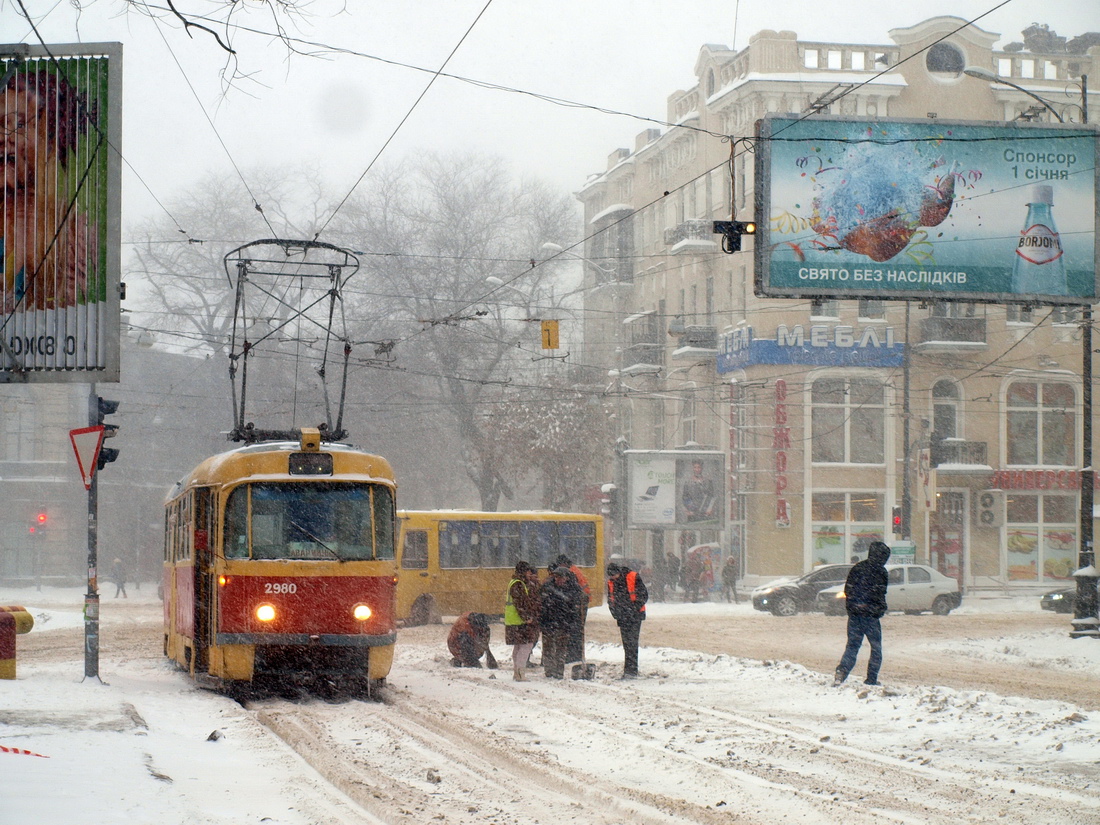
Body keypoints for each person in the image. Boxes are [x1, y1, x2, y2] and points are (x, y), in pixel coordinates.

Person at [2, 66, 97, 315]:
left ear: (52, 139)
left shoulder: (75, 232)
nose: (3, 136)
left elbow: (71, 305)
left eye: (18, 123)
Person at [833, 540, 891, 686]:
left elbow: (849, 590)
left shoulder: (858, 568)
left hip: (855, 616)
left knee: (852, 646)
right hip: (871, 617)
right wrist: (879, 608)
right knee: (876, 648)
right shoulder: (881, 572)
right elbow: (880, 593)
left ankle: (842, 672)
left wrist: (853, 607)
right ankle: (871, 678)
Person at [538, 564, 584, 679]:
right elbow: (542, 606)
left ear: (566, 578)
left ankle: (559, 671)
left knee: (561, 649)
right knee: (548, 648)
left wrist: (574, 621)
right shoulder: (547, 587)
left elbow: (576, 608)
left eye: (561, 577)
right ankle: (549, 671)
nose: (558, 580)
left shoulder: (573, 589)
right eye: (556, 577)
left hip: (564, 624)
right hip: (549, 623)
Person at [606, 561, 648, 678]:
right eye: (611, 576)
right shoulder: (611, 582)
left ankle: (632, 670)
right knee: (626, 643)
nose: (613, 578)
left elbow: (643, 595)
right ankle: (628, 669)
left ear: (618, 572)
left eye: (614, 575)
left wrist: (633, 609)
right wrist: (615, 613)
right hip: (622, 617)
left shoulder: (633, 577)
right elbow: (611, 599)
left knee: (632, 643)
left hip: (635, 616)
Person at [555, 553, 591, 679]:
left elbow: (575, 589)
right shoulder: (574, 569)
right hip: (581, 601)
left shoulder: (571, 572)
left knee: (576, 630)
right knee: (577, 629)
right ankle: (575, 655)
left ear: (563, 564)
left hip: (581, 602)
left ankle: (574, 656)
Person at [504, 561, 540, 681]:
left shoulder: (514, 582)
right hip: (520, 621)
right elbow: (520, 603)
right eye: (528, 571)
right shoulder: (519, 584)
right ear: (524, 572)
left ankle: (517, 672)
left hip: (513, 620)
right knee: (526, 646)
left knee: (518, 646)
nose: (530, 574)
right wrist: (527, 618)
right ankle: (520, 673)